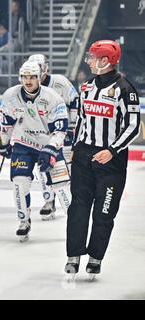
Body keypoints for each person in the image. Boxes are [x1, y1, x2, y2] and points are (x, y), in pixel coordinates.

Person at [65, 40, 140, 277]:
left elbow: (134, 126)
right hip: (84, 157)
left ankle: (95, 257)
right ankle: (73, 255)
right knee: (78, 208)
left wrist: (112, 150)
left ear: (105, 61)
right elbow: (83, 121)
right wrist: (76, 146)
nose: (88, 61)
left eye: (92, 57)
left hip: (111, 161)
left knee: (104, 212)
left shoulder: (125, 89)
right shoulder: (86, 87)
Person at [0, 61, 72, 242]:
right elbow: (7, 124)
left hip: (49, 145)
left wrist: (52, 148)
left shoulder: (53, 97)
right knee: (19, 183)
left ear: (39, 78)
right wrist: (4, 143)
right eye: (24, 77)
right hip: (24, 144)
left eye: (32, 77)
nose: (28, 81)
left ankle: (75, 221)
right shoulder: (10, 96)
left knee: (61, 187)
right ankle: (24, 221)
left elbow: (60, 130)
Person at [27, 54, 79, 220]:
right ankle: (49, 201)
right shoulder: (27, 86)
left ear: (45, 68)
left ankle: (71, 201)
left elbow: (74, 102)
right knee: (44, 167)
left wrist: (72, 126)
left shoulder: (60, 82)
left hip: (63, 132)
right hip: (42, 136)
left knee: (65, 169)